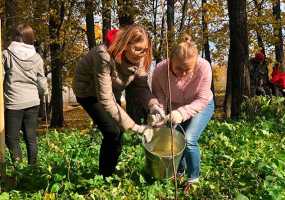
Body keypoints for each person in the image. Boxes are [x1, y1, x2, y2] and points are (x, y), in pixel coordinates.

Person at [72, 25, 162, 177]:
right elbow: (105, 100)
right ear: (125, 45)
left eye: (145, 49)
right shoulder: (104, 55)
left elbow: (141, 87)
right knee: (112, 131)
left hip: (110, 92)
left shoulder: (139, 59)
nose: (142, 54)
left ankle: (110, 171)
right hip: (88, 92)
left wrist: (153, 106)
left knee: (119, 133)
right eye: (137, 49)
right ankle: (104, 176)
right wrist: (136, 128)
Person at [150, 34, 214, 192]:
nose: (183, 74)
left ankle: (193, 179)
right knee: (175, 137)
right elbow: (159, 97)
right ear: (170, 59)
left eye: (188, 70)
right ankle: (179, 171)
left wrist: (181, 113)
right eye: (179, 68)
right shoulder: (160, 71)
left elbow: (202, 99)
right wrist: (158, 112)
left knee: (189, 138)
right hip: (175, 108)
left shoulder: (204, 67)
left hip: (202, 105)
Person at [3, 24, 48, 165]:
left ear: (17, 36)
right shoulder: (37, 57)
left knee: (12, 139)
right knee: (31, 138)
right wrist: (44, 92)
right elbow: (41, 82)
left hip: (14, 103)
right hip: (33, 102)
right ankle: (32, 169)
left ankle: (18, 170)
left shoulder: (7, 54)